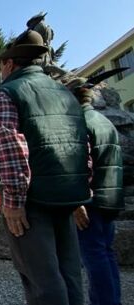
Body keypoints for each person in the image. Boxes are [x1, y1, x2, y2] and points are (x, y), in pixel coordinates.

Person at [0, 30, 91, 305]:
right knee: (70, 274)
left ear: (9, 64)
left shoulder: (8, 92)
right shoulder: (65, 94)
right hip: (67, 197)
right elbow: (81, 144)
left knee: (42, 281)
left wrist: (13, 200)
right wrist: (81, 192)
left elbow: (9, 146)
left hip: (32, 200)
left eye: (1, 65)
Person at [72, 86, 124, 305]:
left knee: (94, 256)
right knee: (106, 253)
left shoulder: (80, 122)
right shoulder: (104, 121)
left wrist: (78, 200)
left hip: (91, 200)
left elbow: (83, 163)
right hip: (111, 197)